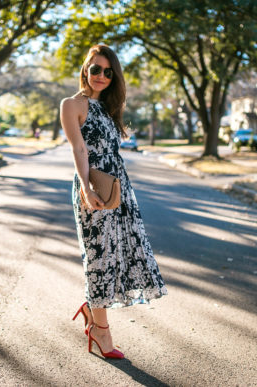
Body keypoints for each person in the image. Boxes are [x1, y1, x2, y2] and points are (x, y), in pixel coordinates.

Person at [60, 44, 168, 359]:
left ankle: (94, 312)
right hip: (92, 188)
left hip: (118, 190)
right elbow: (79, 149)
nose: (102, 76)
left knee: (118, 255)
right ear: (85, 69)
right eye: (96, 69)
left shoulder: (108, 108)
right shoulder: (72, 104)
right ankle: (101, 332)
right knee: (99, 260)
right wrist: (85, 186)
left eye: (109, 72)